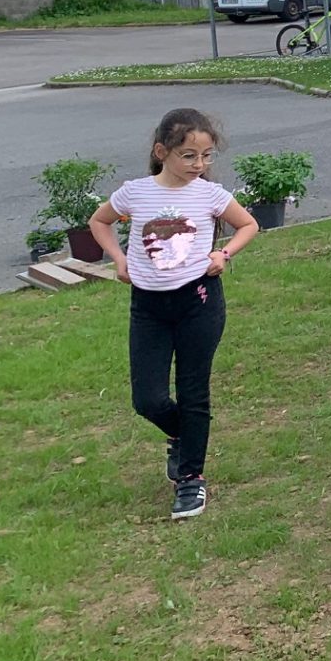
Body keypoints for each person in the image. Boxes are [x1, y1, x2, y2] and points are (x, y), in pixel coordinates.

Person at [89, 109, 260, 519]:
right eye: (188, 156)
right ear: (161, 152)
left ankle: (190, 481)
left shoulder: (209, 194)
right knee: (147, 399)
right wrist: (118, 259)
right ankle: (181, 434)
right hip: (148, 307)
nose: (199, 165)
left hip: (198, 302)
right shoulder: (135, 192)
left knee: (193, 392)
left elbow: (248, 225)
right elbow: (99, 221)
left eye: (206, 156)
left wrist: (223, 254)